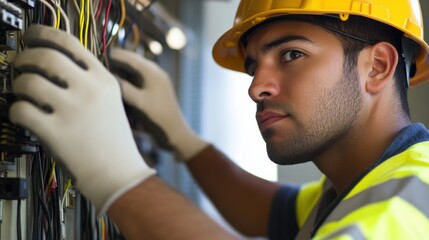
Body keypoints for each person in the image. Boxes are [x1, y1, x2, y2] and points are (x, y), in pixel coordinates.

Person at [9, 0, 429, 239]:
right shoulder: (357, 188)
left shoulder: (405, 209)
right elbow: (268, 212)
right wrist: (180, 136)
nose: (256, 87)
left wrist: (118, 177)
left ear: (376, 67)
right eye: (253, 67)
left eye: (291, 55)